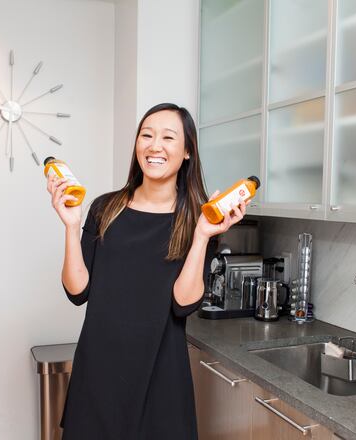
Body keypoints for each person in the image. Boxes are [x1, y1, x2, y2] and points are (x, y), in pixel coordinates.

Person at [46, 102, 248, 439]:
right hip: (99, 375)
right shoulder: (105, 208)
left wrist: (201, 236)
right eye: (146, 135)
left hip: (162, 380)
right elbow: (77, 291)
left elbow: (183, 304)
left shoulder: (198, 220)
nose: (155, 146)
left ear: (187, 151)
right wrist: (71, 226)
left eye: (168, 137)